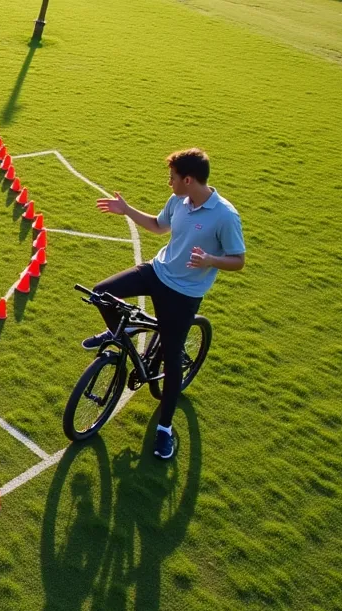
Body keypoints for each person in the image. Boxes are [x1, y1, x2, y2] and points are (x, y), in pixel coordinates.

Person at [89, 148, 245, 460]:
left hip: (184, 293)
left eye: (172, 178)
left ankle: (164, 429)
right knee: (100, 293)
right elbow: (160, 227)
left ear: (188, 179)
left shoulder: (225, 216)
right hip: (157, 271)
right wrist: (127, 209)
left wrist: (211, 260)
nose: (168, 182)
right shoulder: (179, 201)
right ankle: (120, 333)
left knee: (172, 360)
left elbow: (238, 260)